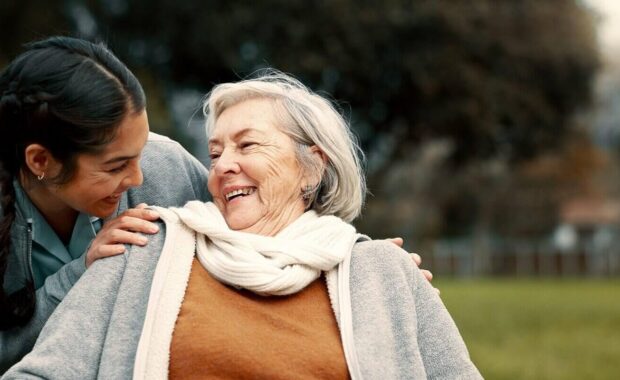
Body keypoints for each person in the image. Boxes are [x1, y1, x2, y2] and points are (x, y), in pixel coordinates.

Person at [3, 71, 482, 379]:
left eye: (247, 146)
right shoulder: (142, 246)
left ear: (313, 167)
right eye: (213, 154)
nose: (222, 166)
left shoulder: (380, 271)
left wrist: (379, 271)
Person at [0, 36, 210, 373]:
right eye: (115, 167)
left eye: (140, 152)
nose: (138, 179)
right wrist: (82, 272)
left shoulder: (169, 169)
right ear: (40, 160)